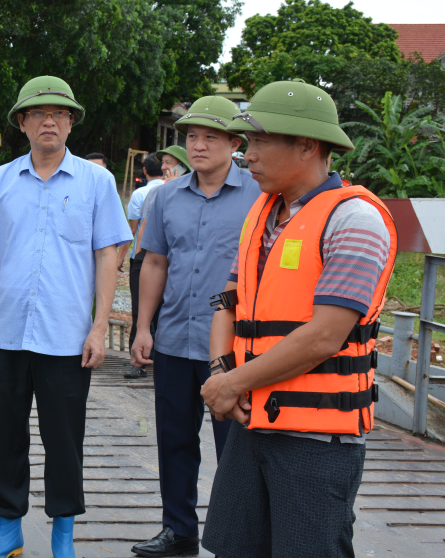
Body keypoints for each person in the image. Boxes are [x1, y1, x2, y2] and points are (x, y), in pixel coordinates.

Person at [200, 80, 396, 558]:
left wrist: (231, 385)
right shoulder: (261, 215)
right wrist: (220, 372)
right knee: (235, 548)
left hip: (316, 441)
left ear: (307, 145)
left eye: (261, 142)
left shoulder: (354, 221)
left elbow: (325, 336)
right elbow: (225, 303)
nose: (249, 156)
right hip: (252, 425)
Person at [0, 76, 131, 558]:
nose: (50, 121)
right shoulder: (0, 181)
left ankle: (63, 531)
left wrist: (99, 327)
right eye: (39, 113)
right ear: (22, 122)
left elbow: (108, 254)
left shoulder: (96, 182)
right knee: (5, 434)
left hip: (67, 335)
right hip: (12, 333)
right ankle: (8, 529)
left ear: (72, 123)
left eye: (60, 113)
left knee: (64, 439)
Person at [130, 96, 261, 558]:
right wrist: (143, 327)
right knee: (175, 439)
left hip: (232, 347)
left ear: (234, 143)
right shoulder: (166, 196)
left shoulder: (260, 196)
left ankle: (236, 537)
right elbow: (155, 262)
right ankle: (178, 530)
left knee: (236, 447)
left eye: (210, 137)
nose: (199, 145)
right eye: (191, 136)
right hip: (173, 340)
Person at [120, 153, 163, 378]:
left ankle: (138, 363)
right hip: (166, 261)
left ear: (144, 171)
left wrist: (128, 260)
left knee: (140, 311)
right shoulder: (171, 190)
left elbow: (135, 230)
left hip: (143, 257)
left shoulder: (140, 193)